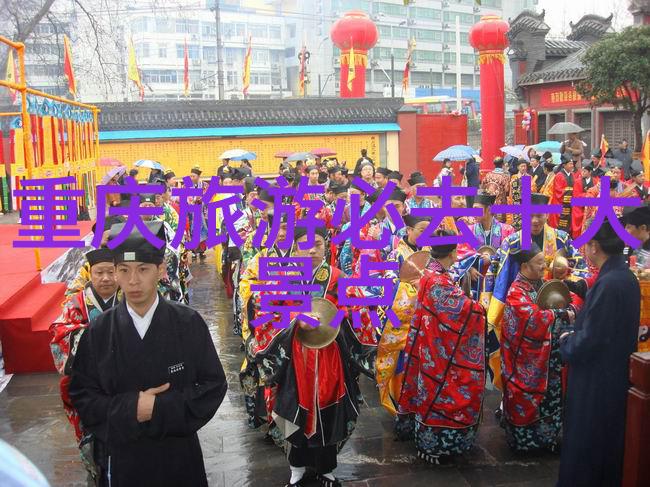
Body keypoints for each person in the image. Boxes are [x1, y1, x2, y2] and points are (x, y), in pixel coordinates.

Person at [69, 221, 227, 487]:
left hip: (179, 456)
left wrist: (159, 407)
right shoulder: (99, 331)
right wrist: (131, 408)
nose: (133, 281)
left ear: (161, 270)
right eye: (124, 270)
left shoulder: (188, 323)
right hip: (123, 459)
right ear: (116, 273)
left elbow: (212, 386)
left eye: (143, 269)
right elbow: (83, 396)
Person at [256, 226, 360, 487]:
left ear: (326, 246)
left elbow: (349, 308)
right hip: (296, 357)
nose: (312, 250)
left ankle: (326, 468)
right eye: (305, 244)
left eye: (318, 244)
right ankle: (297, 467)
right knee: (294, 409)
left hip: (328, 355)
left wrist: (330, 322)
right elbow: (269, 310)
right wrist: (297, 318)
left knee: (328, 409)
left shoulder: (336, 276)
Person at [557, 221, 640, 487]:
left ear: (594, 247)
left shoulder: (610, 283)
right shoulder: (623, 276)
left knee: (587, 441)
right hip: (614, 372)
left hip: (596, 379)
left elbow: (591, 339)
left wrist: (567, 341)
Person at [395, 231, 487, 463]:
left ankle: (427, 436)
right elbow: (466, 310)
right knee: (441, 391)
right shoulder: (438, 281)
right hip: (440, 350)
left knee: (430, 389)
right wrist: (480, 307)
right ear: (453, 253)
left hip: (430, 342)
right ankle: (436, 443)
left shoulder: (430, 273)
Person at [50, 248, 119, 482]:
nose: (106, 278)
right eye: (99, 272)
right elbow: (59, 334)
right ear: (90, 274)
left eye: (111, 272)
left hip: (126, 385)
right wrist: (97, 338)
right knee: (95, 444)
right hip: (91, 387)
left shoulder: (130, 298)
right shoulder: (76, 303)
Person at [500, 244, 575, 452]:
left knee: (550, 396)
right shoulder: (516, 291)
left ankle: (546, 439)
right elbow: (532, 319)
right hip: (525, 360)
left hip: (547, 357)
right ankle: (524, 441)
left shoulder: (540, 284)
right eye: (540, 263)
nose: (545, 266)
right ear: (525, 266)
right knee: (527, 397)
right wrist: (560, 314)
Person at [549, 155, 576, 234]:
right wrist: (571, 190)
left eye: (572, 164)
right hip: (560, 205)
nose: (572, 166)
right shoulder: (559, 176)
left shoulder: (572, 175)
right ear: (564, 165)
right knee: (560, 228)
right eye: (570, 164)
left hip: (570, 205)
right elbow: (558, 191)